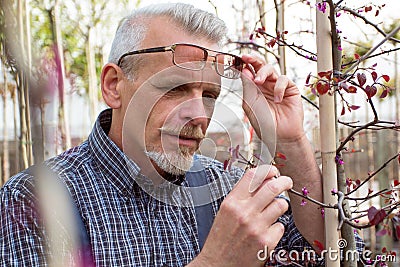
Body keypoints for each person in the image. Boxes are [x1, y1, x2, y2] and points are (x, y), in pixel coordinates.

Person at [1, 3, 362, 267]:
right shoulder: (36, 202)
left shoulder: (227, 188)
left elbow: (338, 256)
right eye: (174, 88)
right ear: (114, 86)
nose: (198, 114)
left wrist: (290, 140)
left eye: (210, 96)